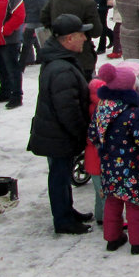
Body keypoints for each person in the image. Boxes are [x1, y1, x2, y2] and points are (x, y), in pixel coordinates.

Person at [27, 14, 94, 234]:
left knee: (61, 175)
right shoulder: (61, 69)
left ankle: (66, 210)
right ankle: (63, 219)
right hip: (58, 135)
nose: (85, 38)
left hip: (55, 132)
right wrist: (81, 133)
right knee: (58, 176)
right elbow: (68, 111)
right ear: (68, 38)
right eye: (81, 35)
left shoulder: (59, 59)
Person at [89, 62, 139, 255]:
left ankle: (112, 238)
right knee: (134, 203)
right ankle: (138, 241)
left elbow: (93, 132)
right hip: (131, 165)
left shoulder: (101, 107)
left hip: (108, 164)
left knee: (112, 201)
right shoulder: (132, 112)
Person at [40, 0, 102, 81]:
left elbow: (44, 16)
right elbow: (96, 31)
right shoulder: (88, 2)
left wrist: (57, 31)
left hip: (57, 50)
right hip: (81, 55)